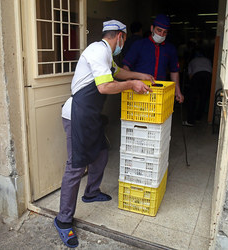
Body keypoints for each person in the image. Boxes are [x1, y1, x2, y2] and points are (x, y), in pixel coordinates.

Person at [54, 20, 154, 248]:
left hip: (91, 115)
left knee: (100, 152)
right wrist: (132, 84)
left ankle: (91, 192)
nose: (124, 43)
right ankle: (63, 220)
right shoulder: (97, 51)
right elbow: (104, 87)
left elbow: (119, 73)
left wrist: (141, 76)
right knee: (76, 166)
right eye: (125, 39)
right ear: (120, 36)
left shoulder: (108, 56)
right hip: (77, 115)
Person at [122, 14, 184, 103]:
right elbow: (126, 67)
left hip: (159, 93)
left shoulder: (170, 49)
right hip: (138, 91)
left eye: (165, 32)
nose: (161, 34)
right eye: (159, 30)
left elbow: (174, 71)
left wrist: (178, 91)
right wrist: (131, 85)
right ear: (152, 28)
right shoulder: (139, 45)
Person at [183, 50, 212, 126]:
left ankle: (190, 121)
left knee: (192, 98)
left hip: (197, 76)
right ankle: (198, 118)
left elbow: (190, 75)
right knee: (204, 98)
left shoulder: (192, 61)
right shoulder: (207, 60)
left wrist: (192, 85)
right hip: (208, 77)